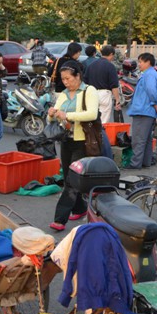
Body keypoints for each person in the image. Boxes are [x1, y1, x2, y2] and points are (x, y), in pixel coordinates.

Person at [47, 65, 99, 231]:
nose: (66, 82)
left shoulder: (89, 91)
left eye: (68, 78)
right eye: (63, 79)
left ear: (78, 76)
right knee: (69, 175)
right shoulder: (63, 94)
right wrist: (51, 114)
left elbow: (92, 114)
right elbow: (54, 118)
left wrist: (67, 115)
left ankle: (60, 219)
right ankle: (80, 208)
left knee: (71, 180)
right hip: (65, 139)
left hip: (82, 140)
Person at [126, 53, 157, 170]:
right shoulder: (151, 73)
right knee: (146, 139)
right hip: (147, 111)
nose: (139, 64)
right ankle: (145, 162)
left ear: (148, 62)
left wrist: (155, 103)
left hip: (143, 110)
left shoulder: (149, 75)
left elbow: (152, 91)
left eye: (141, 62)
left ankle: (135, 164)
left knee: (138, 139)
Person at [84, 45, 122, 124]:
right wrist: (117, 100)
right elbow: (114, 86)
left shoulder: (92, 65)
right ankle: (101, 136)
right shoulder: (110, 66)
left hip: (91, 93)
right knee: (103, 121)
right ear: (111, 54)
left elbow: (85, 81)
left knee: (91, 119)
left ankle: (92, 135)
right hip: (104, 94)